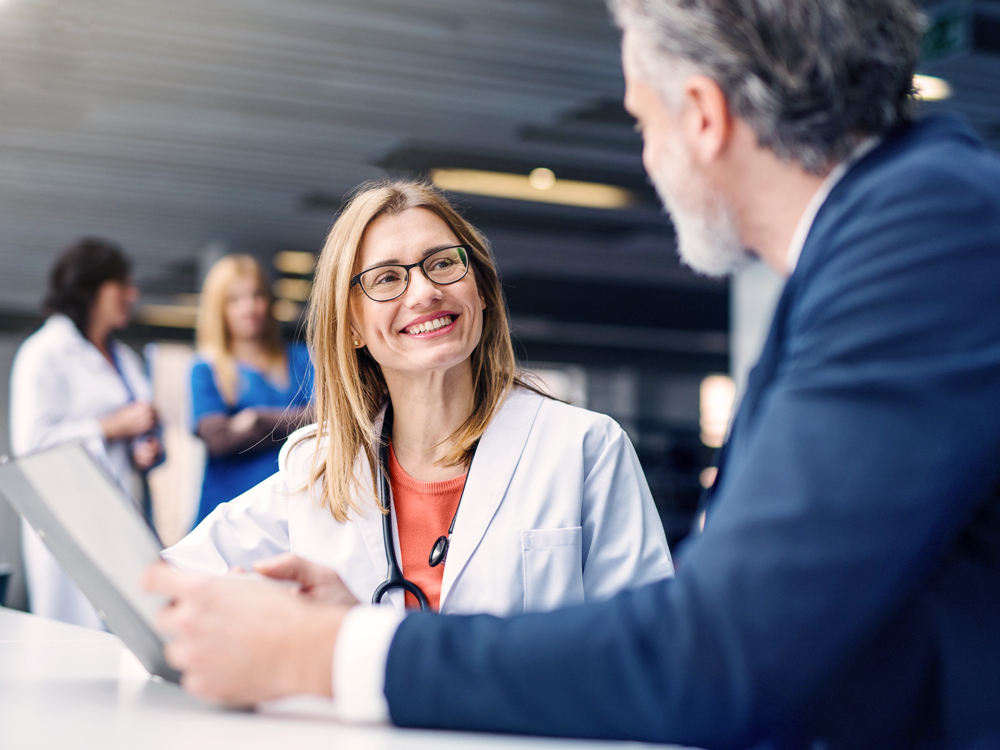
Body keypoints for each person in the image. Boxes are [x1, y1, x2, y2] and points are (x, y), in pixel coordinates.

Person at [144, 0, 1000, 746]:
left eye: (641, 120)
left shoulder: (924, 237)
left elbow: (714, 653)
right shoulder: (889, 233)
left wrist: (328, 653)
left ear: (702, 115)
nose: (649, 154)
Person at [161, 181, 672, 620]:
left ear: (483, 290)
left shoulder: (585, 447)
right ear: (353, 326)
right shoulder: (316, 467)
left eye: (443, 263)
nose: (424, 291)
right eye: (386, 278)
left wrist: (369, 640)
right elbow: (164, 585)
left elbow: (650, 652)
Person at [11, 237, 162, 628]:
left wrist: (143, 449)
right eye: (122, 285)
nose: (133, 294)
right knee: (72, 635)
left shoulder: (125, 358)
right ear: (89, 288)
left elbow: (136, 430)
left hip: (122, 511)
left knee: (129, 630)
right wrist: (111, 427)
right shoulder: (44, 352)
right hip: (69, 515)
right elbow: (31, 445)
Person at [189, 255, 314, 525]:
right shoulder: (205, 369)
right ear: (219, 309)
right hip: (229, 512)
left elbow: (329, 419)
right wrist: (295, 422)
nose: (250, 307)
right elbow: (219, 440)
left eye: (257, 295)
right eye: (235, 300)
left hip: (294, 509)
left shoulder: (302, 359)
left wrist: (255, 420)